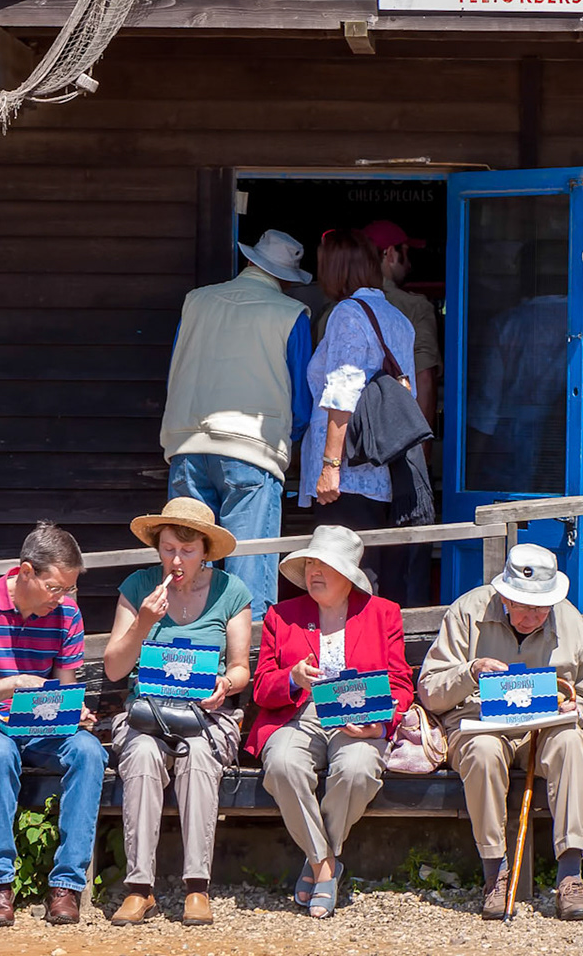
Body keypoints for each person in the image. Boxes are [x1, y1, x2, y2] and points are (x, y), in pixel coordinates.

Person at [419, 543, 583, 923]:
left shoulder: (568, 619)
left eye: (541, 607)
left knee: (571, 744)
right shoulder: (468, 611)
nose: (533, 615)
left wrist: (575, 710)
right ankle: (495, 873)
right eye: (524, 605)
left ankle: (570, 876)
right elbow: (430, 692)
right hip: (478, 723)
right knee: (483, 752)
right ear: (503, 595)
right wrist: (470, 671)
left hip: (544, 727)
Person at [101, 498, 252, 926]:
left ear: (206, 550)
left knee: (199, 756)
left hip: (206, 714)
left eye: (187, 551)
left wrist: (226, 684)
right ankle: (139, 889)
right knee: (144, 756)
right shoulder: (138, 587)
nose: (177, 559)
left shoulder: (230, 591)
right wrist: (143, 622)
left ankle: (196, 887)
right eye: (168, 548)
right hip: (147, 711)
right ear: (158, 547)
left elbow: (241, 668)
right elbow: (114, 668)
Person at [0, 523, 104, 927]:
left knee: (88, 751)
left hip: (39, 723)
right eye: (55, 587)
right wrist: (12, 685)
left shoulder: (67, 613)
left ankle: (67, 885)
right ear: (26, 571)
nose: (62, 598)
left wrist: (77, 713)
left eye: (68, 589)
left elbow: (67, 692)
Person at [250, 524, 412, 919]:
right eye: (309, 564)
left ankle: (316, 861)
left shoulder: (383, 614)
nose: (313, 573)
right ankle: (325, 866)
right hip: (300, 712)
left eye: (324, 566)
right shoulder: (282, 615)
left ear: (349, 576)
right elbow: (261, 687)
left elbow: (400, 683)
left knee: (357, 770)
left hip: (359, 714)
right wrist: (293, 677)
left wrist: (383, 723)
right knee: (283, 763)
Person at [162, 227, 314, 626]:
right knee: (250, 563)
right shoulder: (290, 314)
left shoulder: (196, 301)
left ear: (250, 261)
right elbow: (301, 399)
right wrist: (288, 440)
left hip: (186, 442)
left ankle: (183, 654)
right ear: (286, 278)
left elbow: (177, 369)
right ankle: (247, 670)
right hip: (252, 449)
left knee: (184, 561)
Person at [299, 229, 421, 602]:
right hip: (384, 466)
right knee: (377, 569)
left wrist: (330, 465)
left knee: (343, 571)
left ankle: (352, 656)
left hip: (348, 471)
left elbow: (342, 388)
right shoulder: (397, 318)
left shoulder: (347, 314)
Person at [358, 220, 441, 427]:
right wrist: (422, 451)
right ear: (391, 254)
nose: (410, 264)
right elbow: (424, 379)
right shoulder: (415, 306)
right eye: (406, 253)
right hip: (396, 436)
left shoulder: (335, 308)